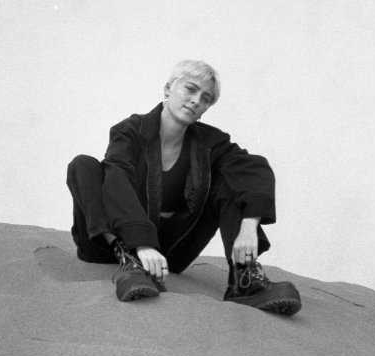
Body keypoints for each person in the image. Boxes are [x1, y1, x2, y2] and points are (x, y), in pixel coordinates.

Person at [66, 60, 301, 315]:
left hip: (169, 254)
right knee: (84, 165)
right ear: (168, 89)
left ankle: (244, 281)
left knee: (229, 179)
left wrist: (248, 227)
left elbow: (254, 169)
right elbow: (116, 180)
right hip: (106, 245)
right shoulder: (130, 131)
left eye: (206, 98)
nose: (196, 100)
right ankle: (129, 261)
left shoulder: (211, 143)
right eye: (190, 89)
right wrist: (141, 245)